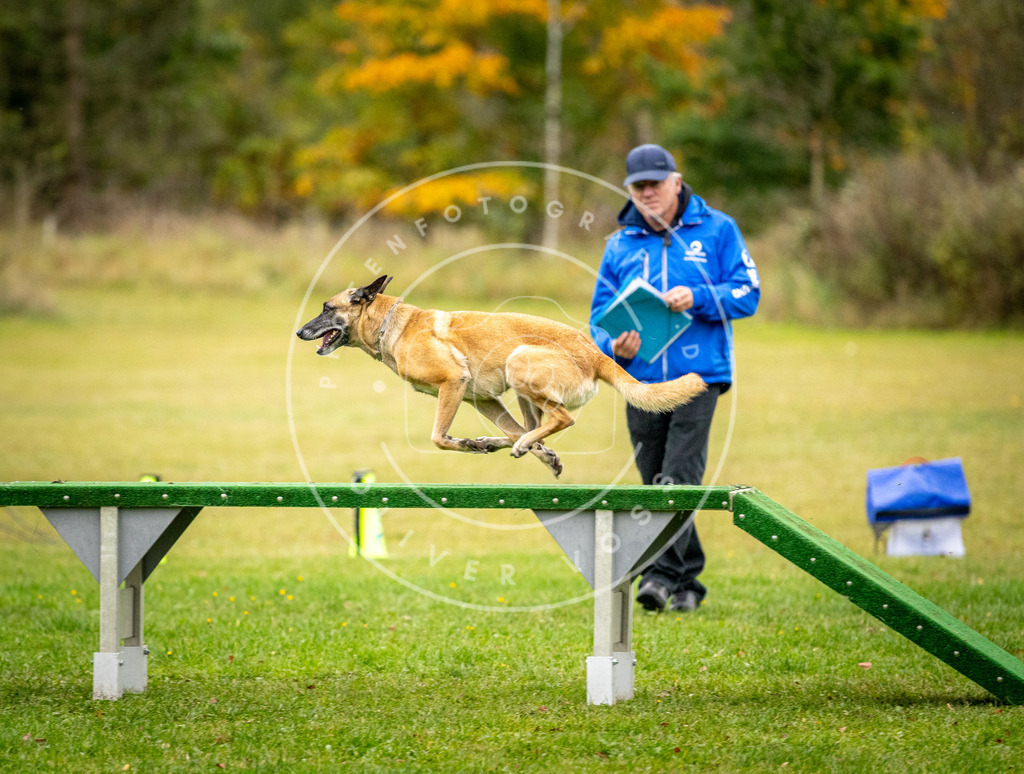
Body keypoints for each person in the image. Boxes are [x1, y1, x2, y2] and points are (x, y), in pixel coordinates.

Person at [589, 143, 760, 612]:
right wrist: (614, 346)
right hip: (640, 381)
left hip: (699, 375)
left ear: (676, 182)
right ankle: (688, 581)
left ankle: (659, 576)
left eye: (655, 184)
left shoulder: (719, 229)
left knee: (679, 476)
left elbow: (748, 293)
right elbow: (599, 320)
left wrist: (700, 297)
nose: (647, 193)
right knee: (654, 480)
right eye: (638, 186)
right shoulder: (619, 244)